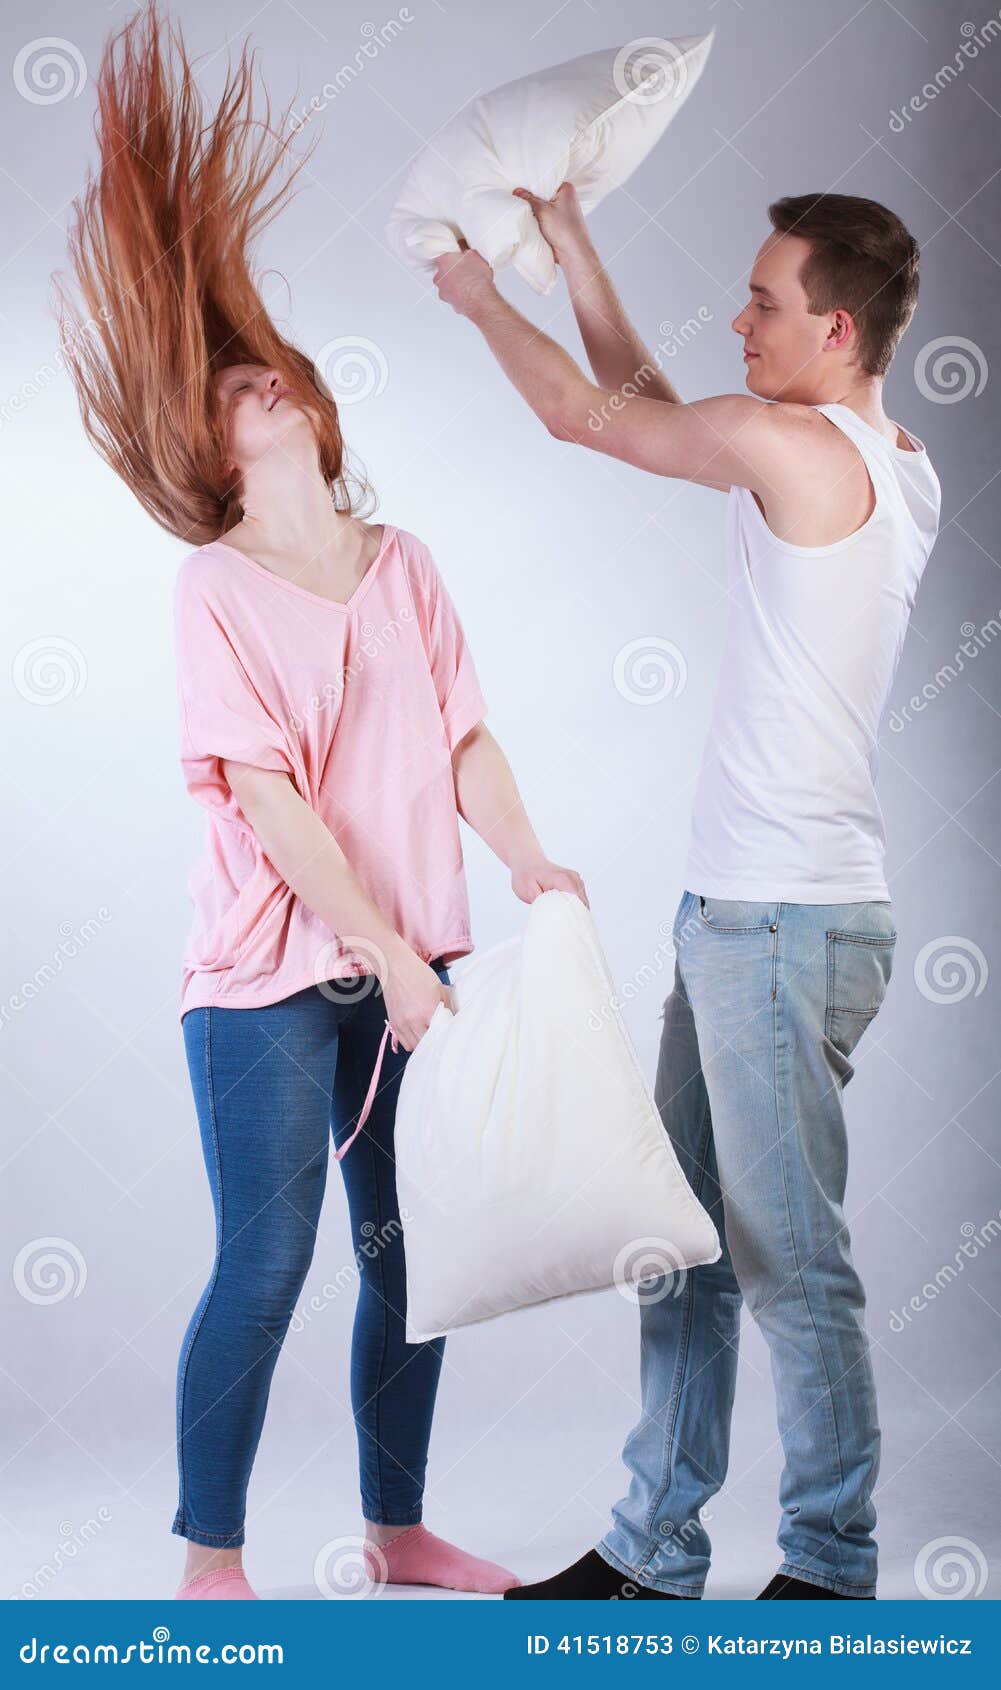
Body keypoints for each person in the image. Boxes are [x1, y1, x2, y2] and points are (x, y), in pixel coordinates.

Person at [57, 3, 586, 1601]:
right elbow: (276, 807)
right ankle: (207, 1563)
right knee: (273, 1260)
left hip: (418, 956)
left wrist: (527, 859)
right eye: (236, 388)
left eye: (273, 370)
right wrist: (395, 957)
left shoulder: (400, 562)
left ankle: (397, 1529)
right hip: (275, 986)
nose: (265, 384)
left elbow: (463, 742)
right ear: (207, 448)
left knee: (404, 1256)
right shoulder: (211, 588)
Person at [433, 183, 940, 1600]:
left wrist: (484, 299)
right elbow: (652, 404)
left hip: (780, 923)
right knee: (683, 1246)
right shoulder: (890, 457)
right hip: (748, 916)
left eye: (764, 303)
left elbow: (586, 419)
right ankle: (653, 1547)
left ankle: (829, 1565)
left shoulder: (789, 446)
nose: (739, 320)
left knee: (787, 1261)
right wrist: (580, 248)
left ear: (832, 327)